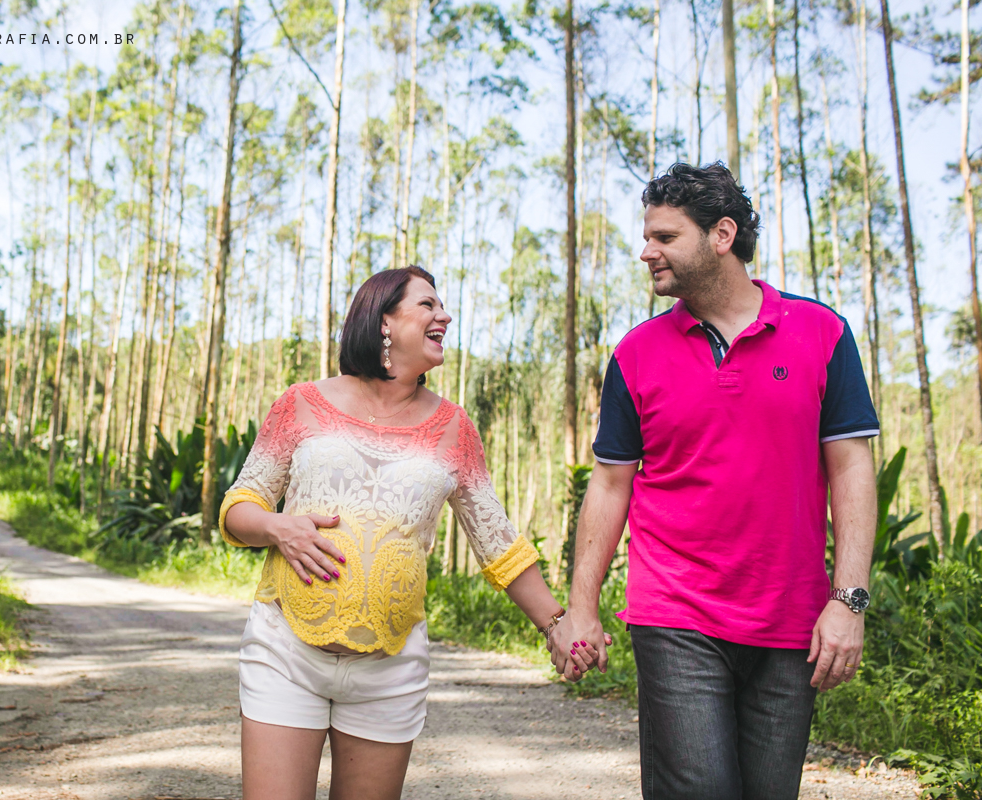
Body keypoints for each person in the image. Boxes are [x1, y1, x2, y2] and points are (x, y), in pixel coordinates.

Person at [548, 163, 879, 800]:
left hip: (791, 620)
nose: (647, 252)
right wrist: (582, 607)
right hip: (675, 614)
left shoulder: (823, 332)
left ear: (721, 235)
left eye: (665, 237)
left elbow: (852, 469)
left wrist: (850, 600)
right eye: (648, 237)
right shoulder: (635, 353)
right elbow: (611, 484)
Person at [221, 266, 568, 800]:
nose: (444, 316)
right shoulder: (301, 404)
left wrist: (557, 626)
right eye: (428, 305)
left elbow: (497, 541)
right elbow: (238, 507)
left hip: (390, 671)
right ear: (384, 320)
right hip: (284, 652)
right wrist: (277, 527)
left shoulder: (454, 428)